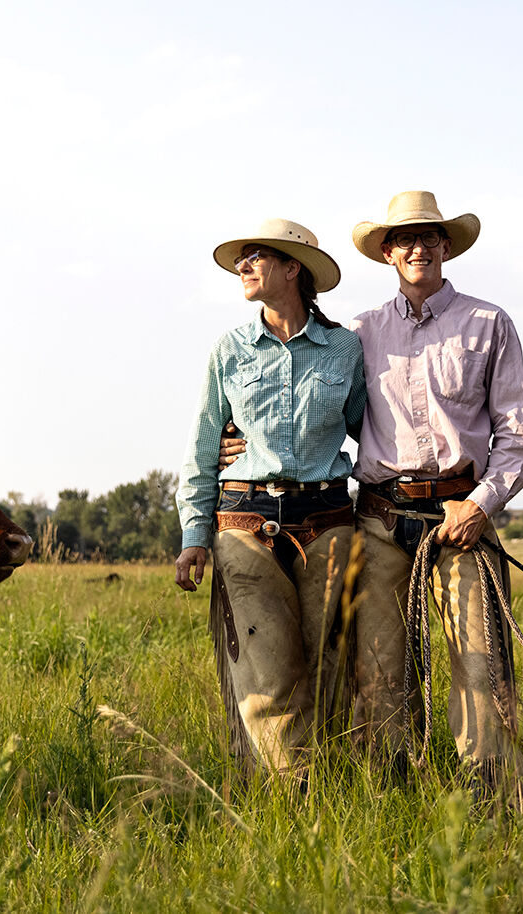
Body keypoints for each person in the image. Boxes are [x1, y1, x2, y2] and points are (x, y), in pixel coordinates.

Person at [346, 191, 523, 799]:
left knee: (479, 664)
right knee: (378, 667)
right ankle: (389, 796)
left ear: (447, 246)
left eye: (429, 235)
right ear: (386, 253)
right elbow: (320, 417)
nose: (418, 246)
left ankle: (490, 799)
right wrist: (237, 442)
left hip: (463, 518)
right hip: (380, 518)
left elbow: (518, 437)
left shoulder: (489, 324)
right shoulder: (358, 334)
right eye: (404, 238)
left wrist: (480, 505)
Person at [175, 218, 366, 780]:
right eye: (243, 258)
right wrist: (192, 537)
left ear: (293, 269)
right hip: (245, 521)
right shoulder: (229, 350)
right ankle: (294, 798)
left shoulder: (345, 348)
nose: (244, 266)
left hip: (329, 519)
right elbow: (203, 444)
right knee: (267, 674)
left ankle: (337, 792)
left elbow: (369, 429)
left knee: (331, 668)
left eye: (257, 256)